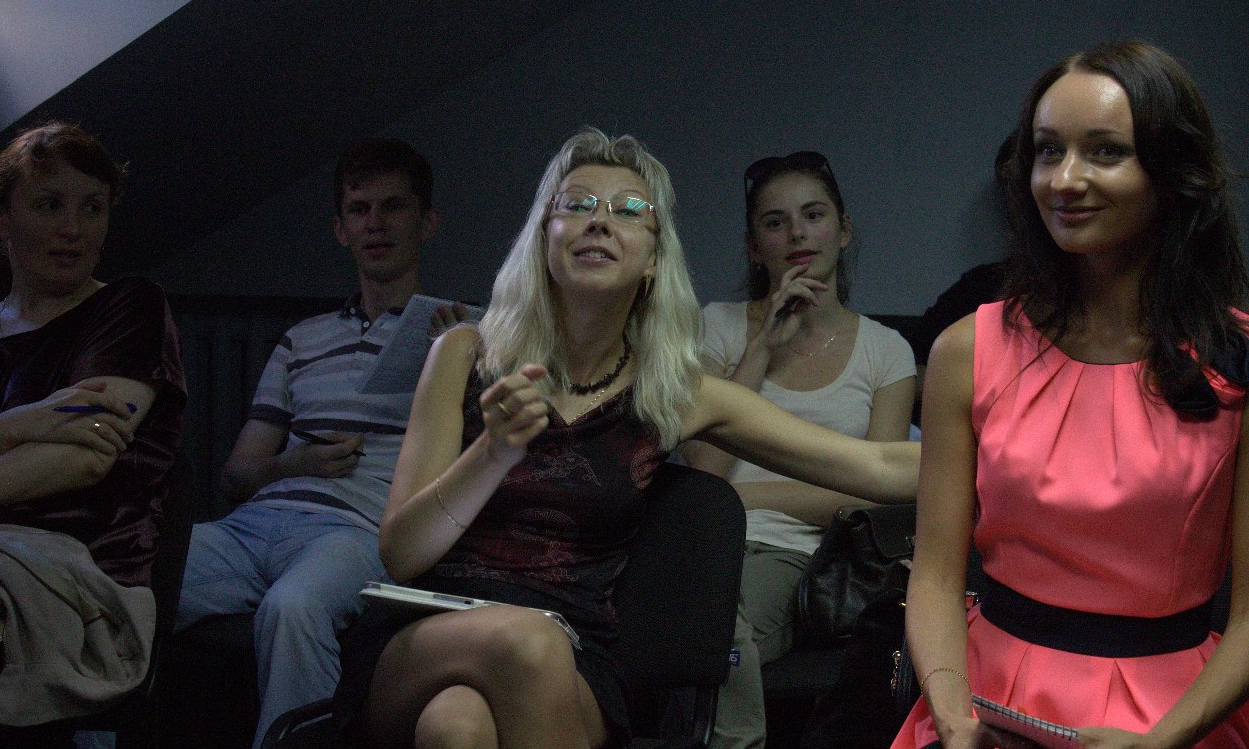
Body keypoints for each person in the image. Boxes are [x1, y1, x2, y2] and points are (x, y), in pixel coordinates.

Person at [332, 128, 919, 748]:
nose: (600, 221)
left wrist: (994, 443)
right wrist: (493, 452)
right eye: (578, 204)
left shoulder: (671, 392)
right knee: (523, 643)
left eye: (629, 211)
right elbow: (401, 553)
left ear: (654, 260)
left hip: (576, 650)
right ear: (544, 238)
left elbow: (878, 464)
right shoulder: (464, 354)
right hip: (429, 632)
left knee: (458, 725)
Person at [896, 40, 1249, 748]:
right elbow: (934, 579)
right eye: (1048, 151)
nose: (1064, 179)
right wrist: (953, 717)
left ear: (1172, 172)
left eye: (1106, 152)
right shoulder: (968, 349)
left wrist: (1162, 742)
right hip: (985, 703)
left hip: (1176, 715)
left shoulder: (1237, 357)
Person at [174, 137, 455, 748]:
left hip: (356, 532)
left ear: (427, 222)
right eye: (359, 210)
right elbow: (236, 476)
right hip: (254, 525)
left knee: (294, 607)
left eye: (393, 207)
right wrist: (294, 463)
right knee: (130, 573)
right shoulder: (302, 338)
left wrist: (462, 361)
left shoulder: (459, 332)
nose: (375, 224)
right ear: (340, 229)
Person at [683, 150, 915, 749]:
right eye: (775, 222)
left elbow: (874, 496)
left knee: (716, 628)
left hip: (789, 552)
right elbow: (704, 468)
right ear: (754, 247)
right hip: (698, 540)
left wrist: (742, 497)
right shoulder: (717, 326)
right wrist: (762, 346)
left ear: (843, 230)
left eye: (813, 216)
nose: (797, 234)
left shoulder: (886, 351)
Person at [0, 122, 186, 742]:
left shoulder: (128, 307)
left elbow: (81, 458)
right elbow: (52, 440)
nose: (74, 228)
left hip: (82, 574)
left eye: (93, 208)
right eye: (49, 205)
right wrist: (23, 423)